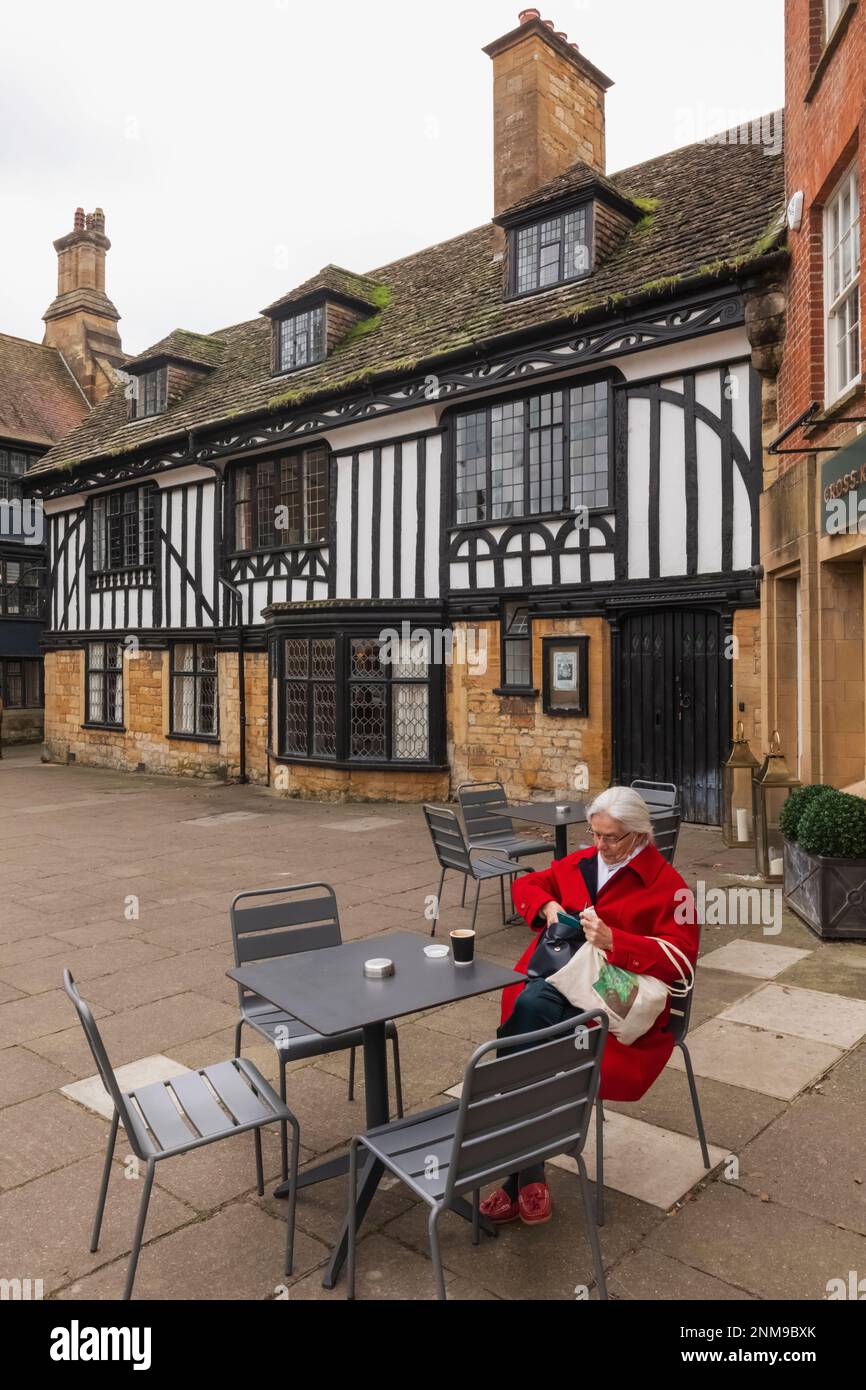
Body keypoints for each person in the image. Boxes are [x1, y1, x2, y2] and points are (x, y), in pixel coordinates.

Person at [480, 786, 697, 1227]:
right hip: (566, 979)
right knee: (535, 1021)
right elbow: (528, 883)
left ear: (638, 836)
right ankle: (530, 1171)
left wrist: (618, 942)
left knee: (527, 1032)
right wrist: (547, 905)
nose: (598, 845)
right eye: (594, 834)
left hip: (617, 996)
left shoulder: (669, 887)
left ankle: (515, 1168)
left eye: (610, 837)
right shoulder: (581, 863)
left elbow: (682, 962)